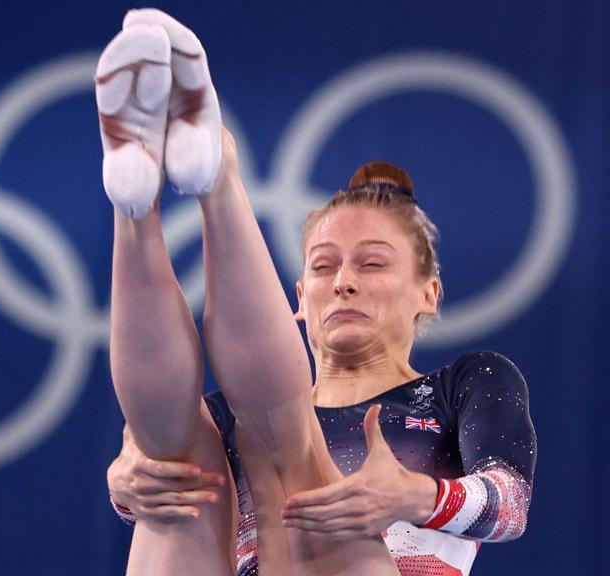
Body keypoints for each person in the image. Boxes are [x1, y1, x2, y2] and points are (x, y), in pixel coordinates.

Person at [98, 9, 536, 576]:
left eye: (372, 263)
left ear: (429, 292)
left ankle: (214, 178)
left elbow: (512, 505)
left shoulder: (464, 386)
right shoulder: (219, 418)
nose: (345, 281)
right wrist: (130, 479)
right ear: (298, 299)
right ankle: (134, 198)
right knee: (176, 466)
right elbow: (149, 496)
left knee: (290, 453)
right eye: (324, 267)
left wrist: (417, 496)